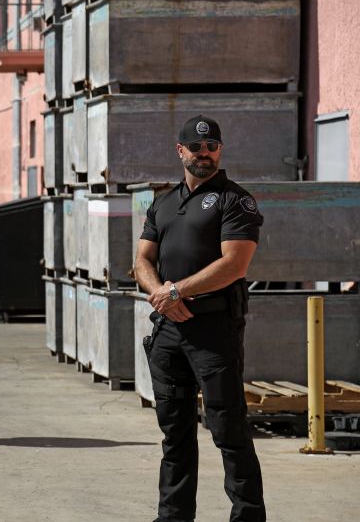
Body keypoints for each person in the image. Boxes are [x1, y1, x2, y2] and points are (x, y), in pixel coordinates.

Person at [134, 115, 266, 522]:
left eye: (212, 148)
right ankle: (173, 516)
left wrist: (177, 291)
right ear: (181, 151)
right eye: (196, 148)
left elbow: (235, 265)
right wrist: (162, 297)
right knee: (174, 435)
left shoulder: (235, 200)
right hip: (169, 331)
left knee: (229, 431)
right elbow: (141, 260)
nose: (204, 154)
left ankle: (247, 516)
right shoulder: (163, 202)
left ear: (220, 151)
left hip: (214, 332)